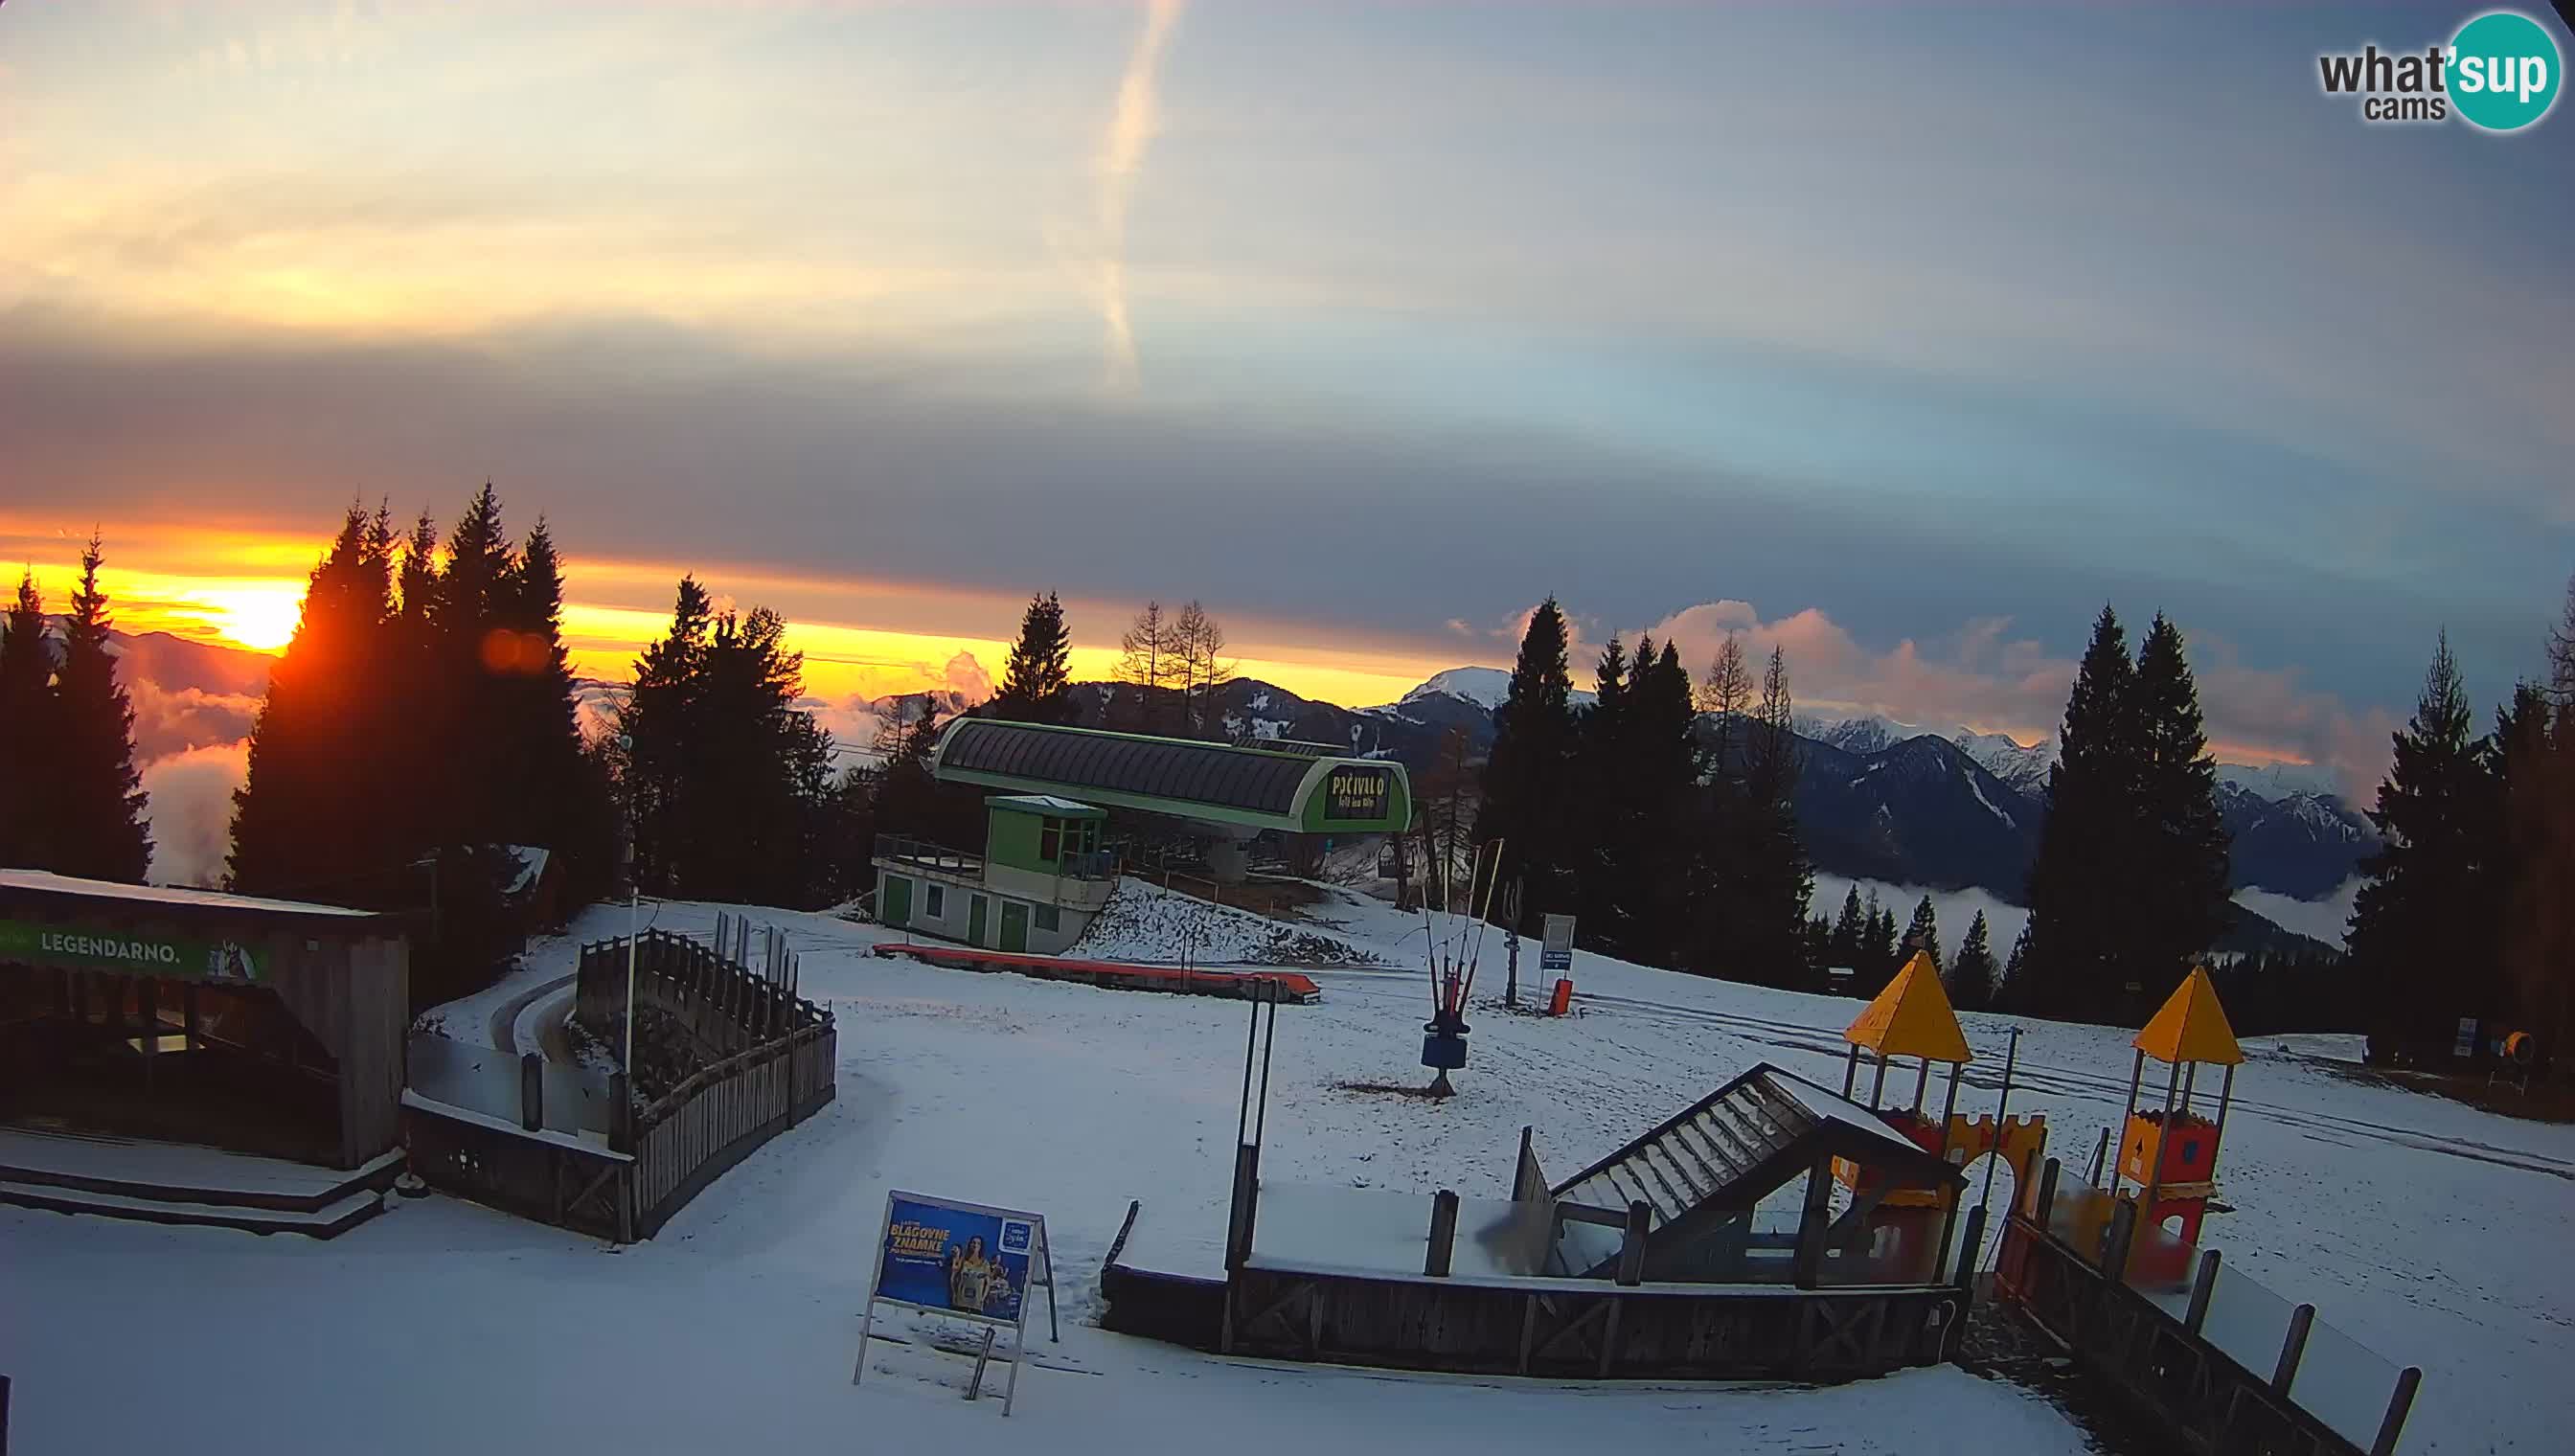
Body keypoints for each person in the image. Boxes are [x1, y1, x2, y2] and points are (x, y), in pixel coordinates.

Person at [946, 1236, 992, 1312]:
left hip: (976, 1305)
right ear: (970, 1244)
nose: (975, 1245)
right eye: (973, 1243)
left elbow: (988, 1283)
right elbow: (953, 1277)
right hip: (960, 1303)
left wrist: (982, 1299)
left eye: (978, 1243)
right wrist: (954, 1293)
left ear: (981, 1247)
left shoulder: (985, 1264)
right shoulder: (963, 1261)